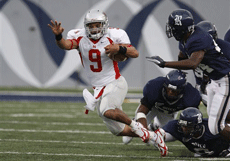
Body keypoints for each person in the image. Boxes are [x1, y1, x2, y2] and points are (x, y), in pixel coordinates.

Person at [48, 9, 168, 156]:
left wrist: (118, 48)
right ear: (86, 26)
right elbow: (65, 45)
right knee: (119, 131)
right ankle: (154, 136)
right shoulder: (79, 36)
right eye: (91, 25)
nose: (94, 28)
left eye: (97, 25)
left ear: (104, 24)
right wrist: (58, 36)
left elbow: (134, 53)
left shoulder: (115, 35)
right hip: (98, 88)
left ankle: (138, 127)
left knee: (107, 110)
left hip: (115, 82)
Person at [146, 9, 230, 142]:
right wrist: (179, 73)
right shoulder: (186, 38)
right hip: (214, 81)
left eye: (173, 27)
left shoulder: (197, 38)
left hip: (225, 80)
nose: (171, 30)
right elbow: (182, 55)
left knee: (217, 126)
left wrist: (165, 63)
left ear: (181, 28)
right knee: (214, 124)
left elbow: (193, 63)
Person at [122, 69, 201, 144]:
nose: (170, 93)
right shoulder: (154, 87)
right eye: (168, 89)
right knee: (126, 139)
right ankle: (141, 124)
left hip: (168, 113)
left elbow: (193, 117)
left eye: (174, 91)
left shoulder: (191, 96)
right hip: (152, 108)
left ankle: (153, 127)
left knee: (157, 140)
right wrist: (144, 131)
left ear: (182, 90)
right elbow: (142, 111)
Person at [162, 107, 230, 157]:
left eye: (189, 126)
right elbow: (159, 134)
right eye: (183, 125)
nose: (184, 129)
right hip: (202, 154)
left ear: (198, 126)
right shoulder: (176, 127)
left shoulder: (211, 128)